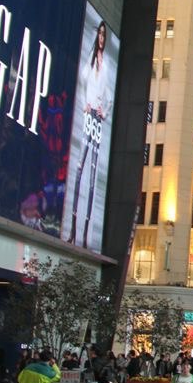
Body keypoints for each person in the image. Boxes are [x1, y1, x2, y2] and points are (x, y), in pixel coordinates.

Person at [66, 19, 111, 247]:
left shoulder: (106, 65)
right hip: (88, 116)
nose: (101, 38)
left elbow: (109, 96)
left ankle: (84, 236)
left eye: (104, 35)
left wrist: (104, 111)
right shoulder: (91, 59)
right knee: (79, 169)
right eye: (99, 34)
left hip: (97, 122)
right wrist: (86, 102)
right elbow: (83, 80)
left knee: (92, 176)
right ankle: (73, 230)